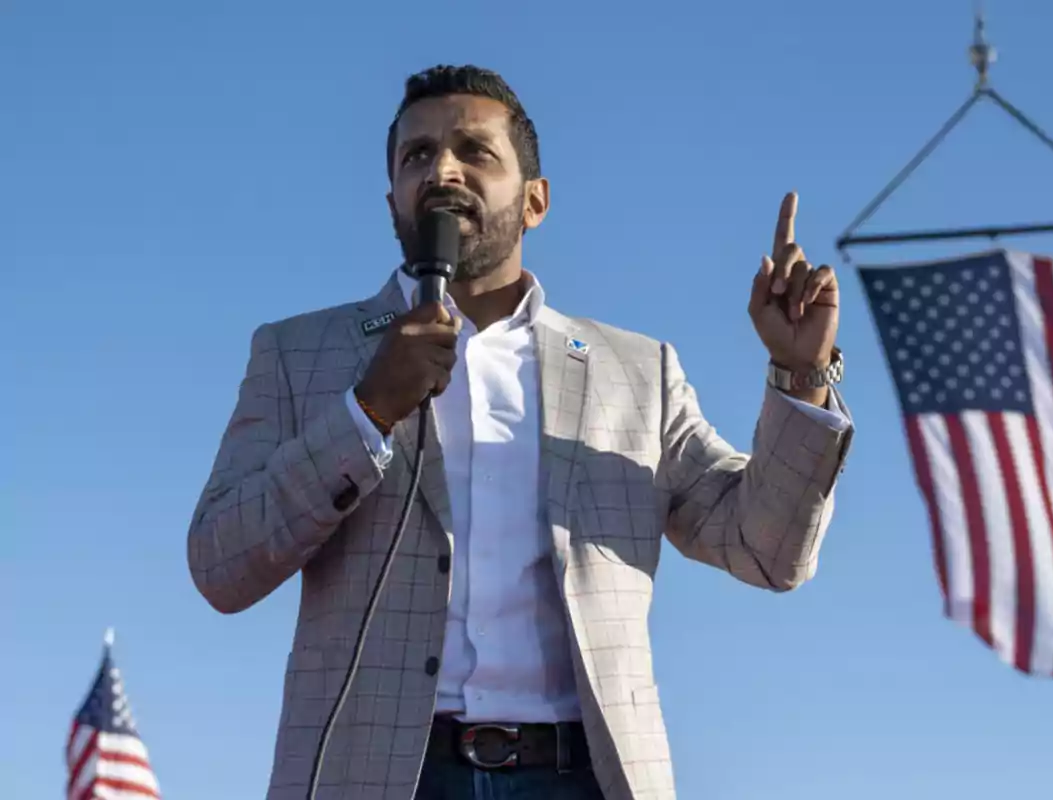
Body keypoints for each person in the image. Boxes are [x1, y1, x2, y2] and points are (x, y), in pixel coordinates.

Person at [187, 64, 853, 800]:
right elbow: (222, 563)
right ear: (392, 204)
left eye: (474, 151)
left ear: (535, 201)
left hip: (582, 775)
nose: (442, 169)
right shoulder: (300, 355)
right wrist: (368, 408)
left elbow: (767, 551)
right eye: (417, 156)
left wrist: (800, 377)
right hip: (382, 778)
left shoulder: (636, 371)